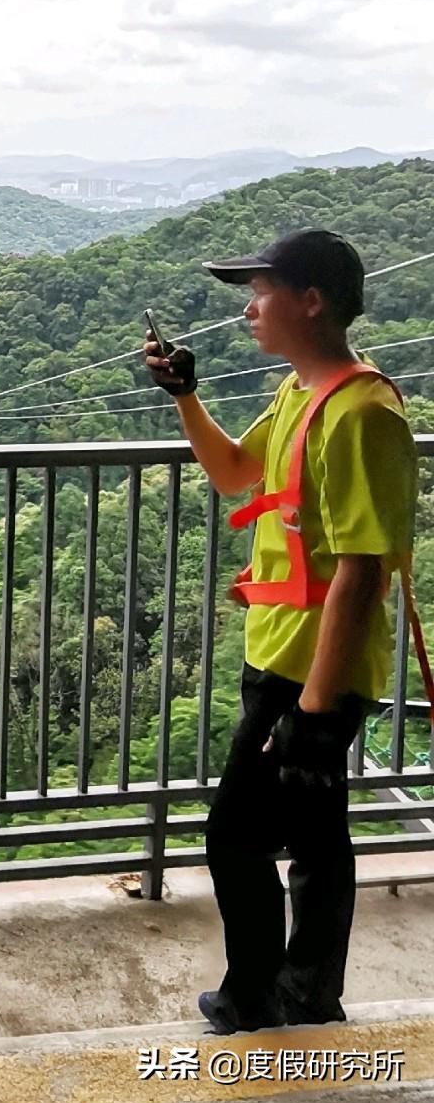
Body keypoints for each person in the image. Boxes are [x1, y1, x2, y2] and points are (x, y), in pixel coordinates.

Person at [145, 229, 417, 1035]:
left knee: (234, 838)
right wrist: (185, 396)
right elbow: (236, 473)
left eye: (261, 290)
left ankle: (257, 994)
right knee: (316, 836)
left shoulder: (364, 413)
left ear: (312, 301)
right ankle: (307, 993)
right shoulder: (302, 395)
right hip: (282, 656)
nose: (248, 306)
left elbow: (364, 570)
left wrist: (317, 713)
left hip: (312, 676)